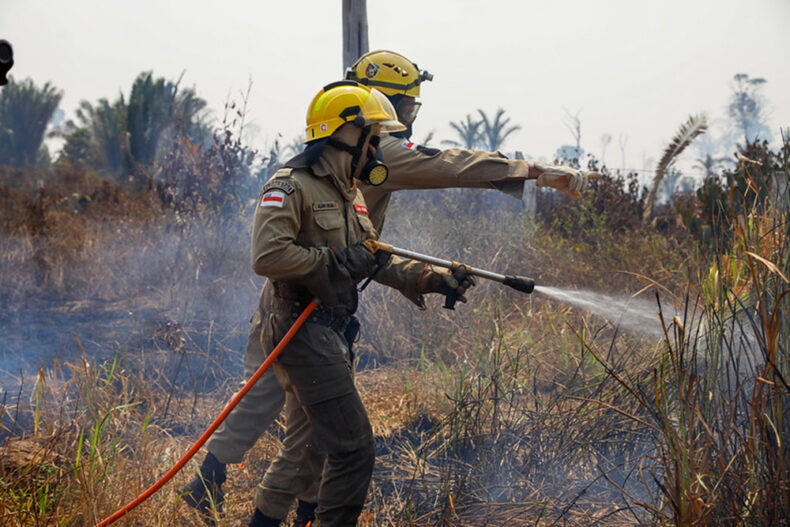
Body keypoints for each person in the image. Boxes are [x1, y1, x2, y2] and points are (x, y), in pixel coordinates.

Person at [180, 50, 598, 526]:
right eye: (402, 109)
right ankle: (265, 503)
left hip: (324, 309)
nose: (400, 126)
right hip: (297, 307)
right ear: (359, 124)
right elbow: (448, 165)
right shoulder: (338, 167)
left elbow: (372, 252)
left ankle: (233, 487)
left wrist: (425, 278)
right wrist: (534, 171)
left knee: (300, 421)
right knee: (316, 432)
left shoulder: (352, 181)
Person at [246, 81, 475, 527]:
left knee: (307, 448)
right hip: (300, 331)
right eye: (372, 139)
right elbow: (267, 256)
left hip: (329, 332)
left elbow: (372, 258)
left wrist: (431, 279)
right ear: (345, 135)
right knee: (353, 449)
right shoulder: (291, 188)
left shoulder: (349, 192)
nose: (377, 151)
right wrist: (333, 260)